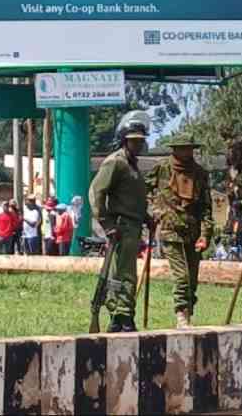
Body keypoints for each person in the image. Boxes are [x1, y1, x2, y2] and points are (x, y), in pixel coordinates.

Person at [89, 110, 152, 333]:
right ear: (124, 140)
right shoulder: (115, 162)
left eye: (140, 141)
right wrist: (107, 224)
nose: (138, 145)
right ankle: (120, 316)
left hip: (133, 227)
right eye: (133, 141)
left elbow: (131, 197)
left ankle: (124, 314)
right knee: (121, 274)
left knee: (128, 273)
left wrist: (146, 217)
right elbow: (96, 191)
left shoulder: (132, 165)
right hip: (120, 228)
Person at [145, 134, 214, 328]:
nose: (186, 152)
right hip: (170, 230)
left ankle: (188, 313)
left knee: (192, 279)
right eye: (182, 148)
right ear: (174, 149)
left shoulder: (200, 173)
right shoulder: (161, 168)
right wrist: (155, 211)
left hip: (193, 232)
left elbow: (206, 207)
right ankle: (181, 315)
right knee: (182, 277)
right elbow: (145, 190)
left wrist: (205, 234)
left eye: (189, 148)